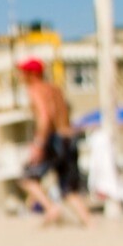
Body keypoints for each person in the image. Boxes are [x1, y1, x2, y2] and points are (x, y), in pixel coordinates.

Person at [16, 57, 92, 227]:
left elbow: (45, 116)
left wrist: (39, 143)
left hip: (54, 138)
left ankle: (51, 208)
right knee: (69, 187)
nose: (20, 76)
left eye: (22, 73)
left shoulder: (35, 89)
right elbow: (65, 112)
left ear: (31, 74)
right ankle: (88, 220)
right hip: (70, 137)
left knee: (27, 177)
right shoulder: (55, 89)